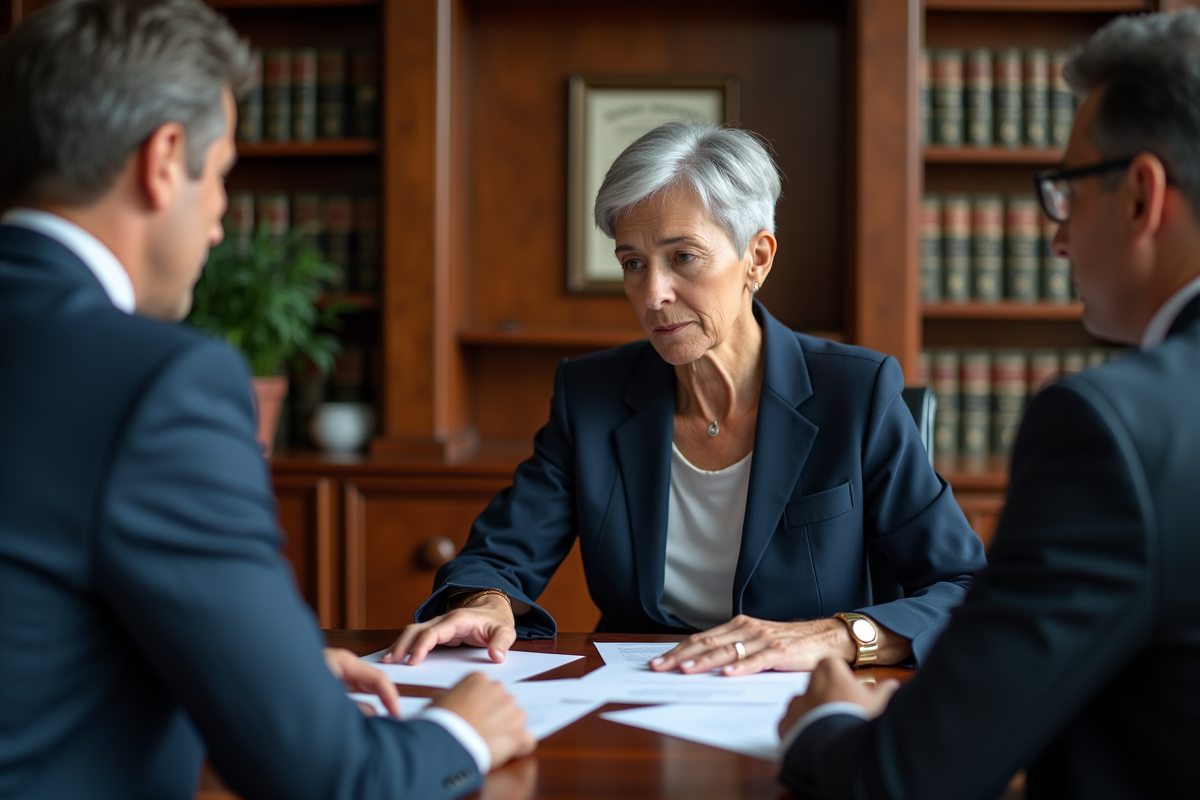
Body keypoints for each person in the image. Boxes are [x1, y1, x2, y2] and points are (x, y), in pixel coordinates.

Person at [0, 0, 534, 797]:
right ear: (164, 159)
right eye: (221, 176)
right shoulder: (160, 383)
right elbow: (328, 777)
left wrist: (247, 665)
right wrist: (463, 730)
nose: (219, 222)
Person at [778, 10, 1200, 800]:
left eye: (1065, 192)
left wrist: (824, 720)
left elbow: (906, 780)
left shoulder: (1113, 431)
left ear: (1142, 195)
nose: (1057, 239)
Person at [386, 121, 986, 676]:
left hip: (803, 701)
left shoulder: (855, 392)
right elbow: (500, 553)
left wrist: (832, 636)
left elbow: (965, 587)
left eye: (683, 258)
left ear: (757, 258)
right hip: (636, 701)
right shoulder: (591, 395)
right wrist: (488, 603)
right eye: (632, 263)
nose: (652, 294)